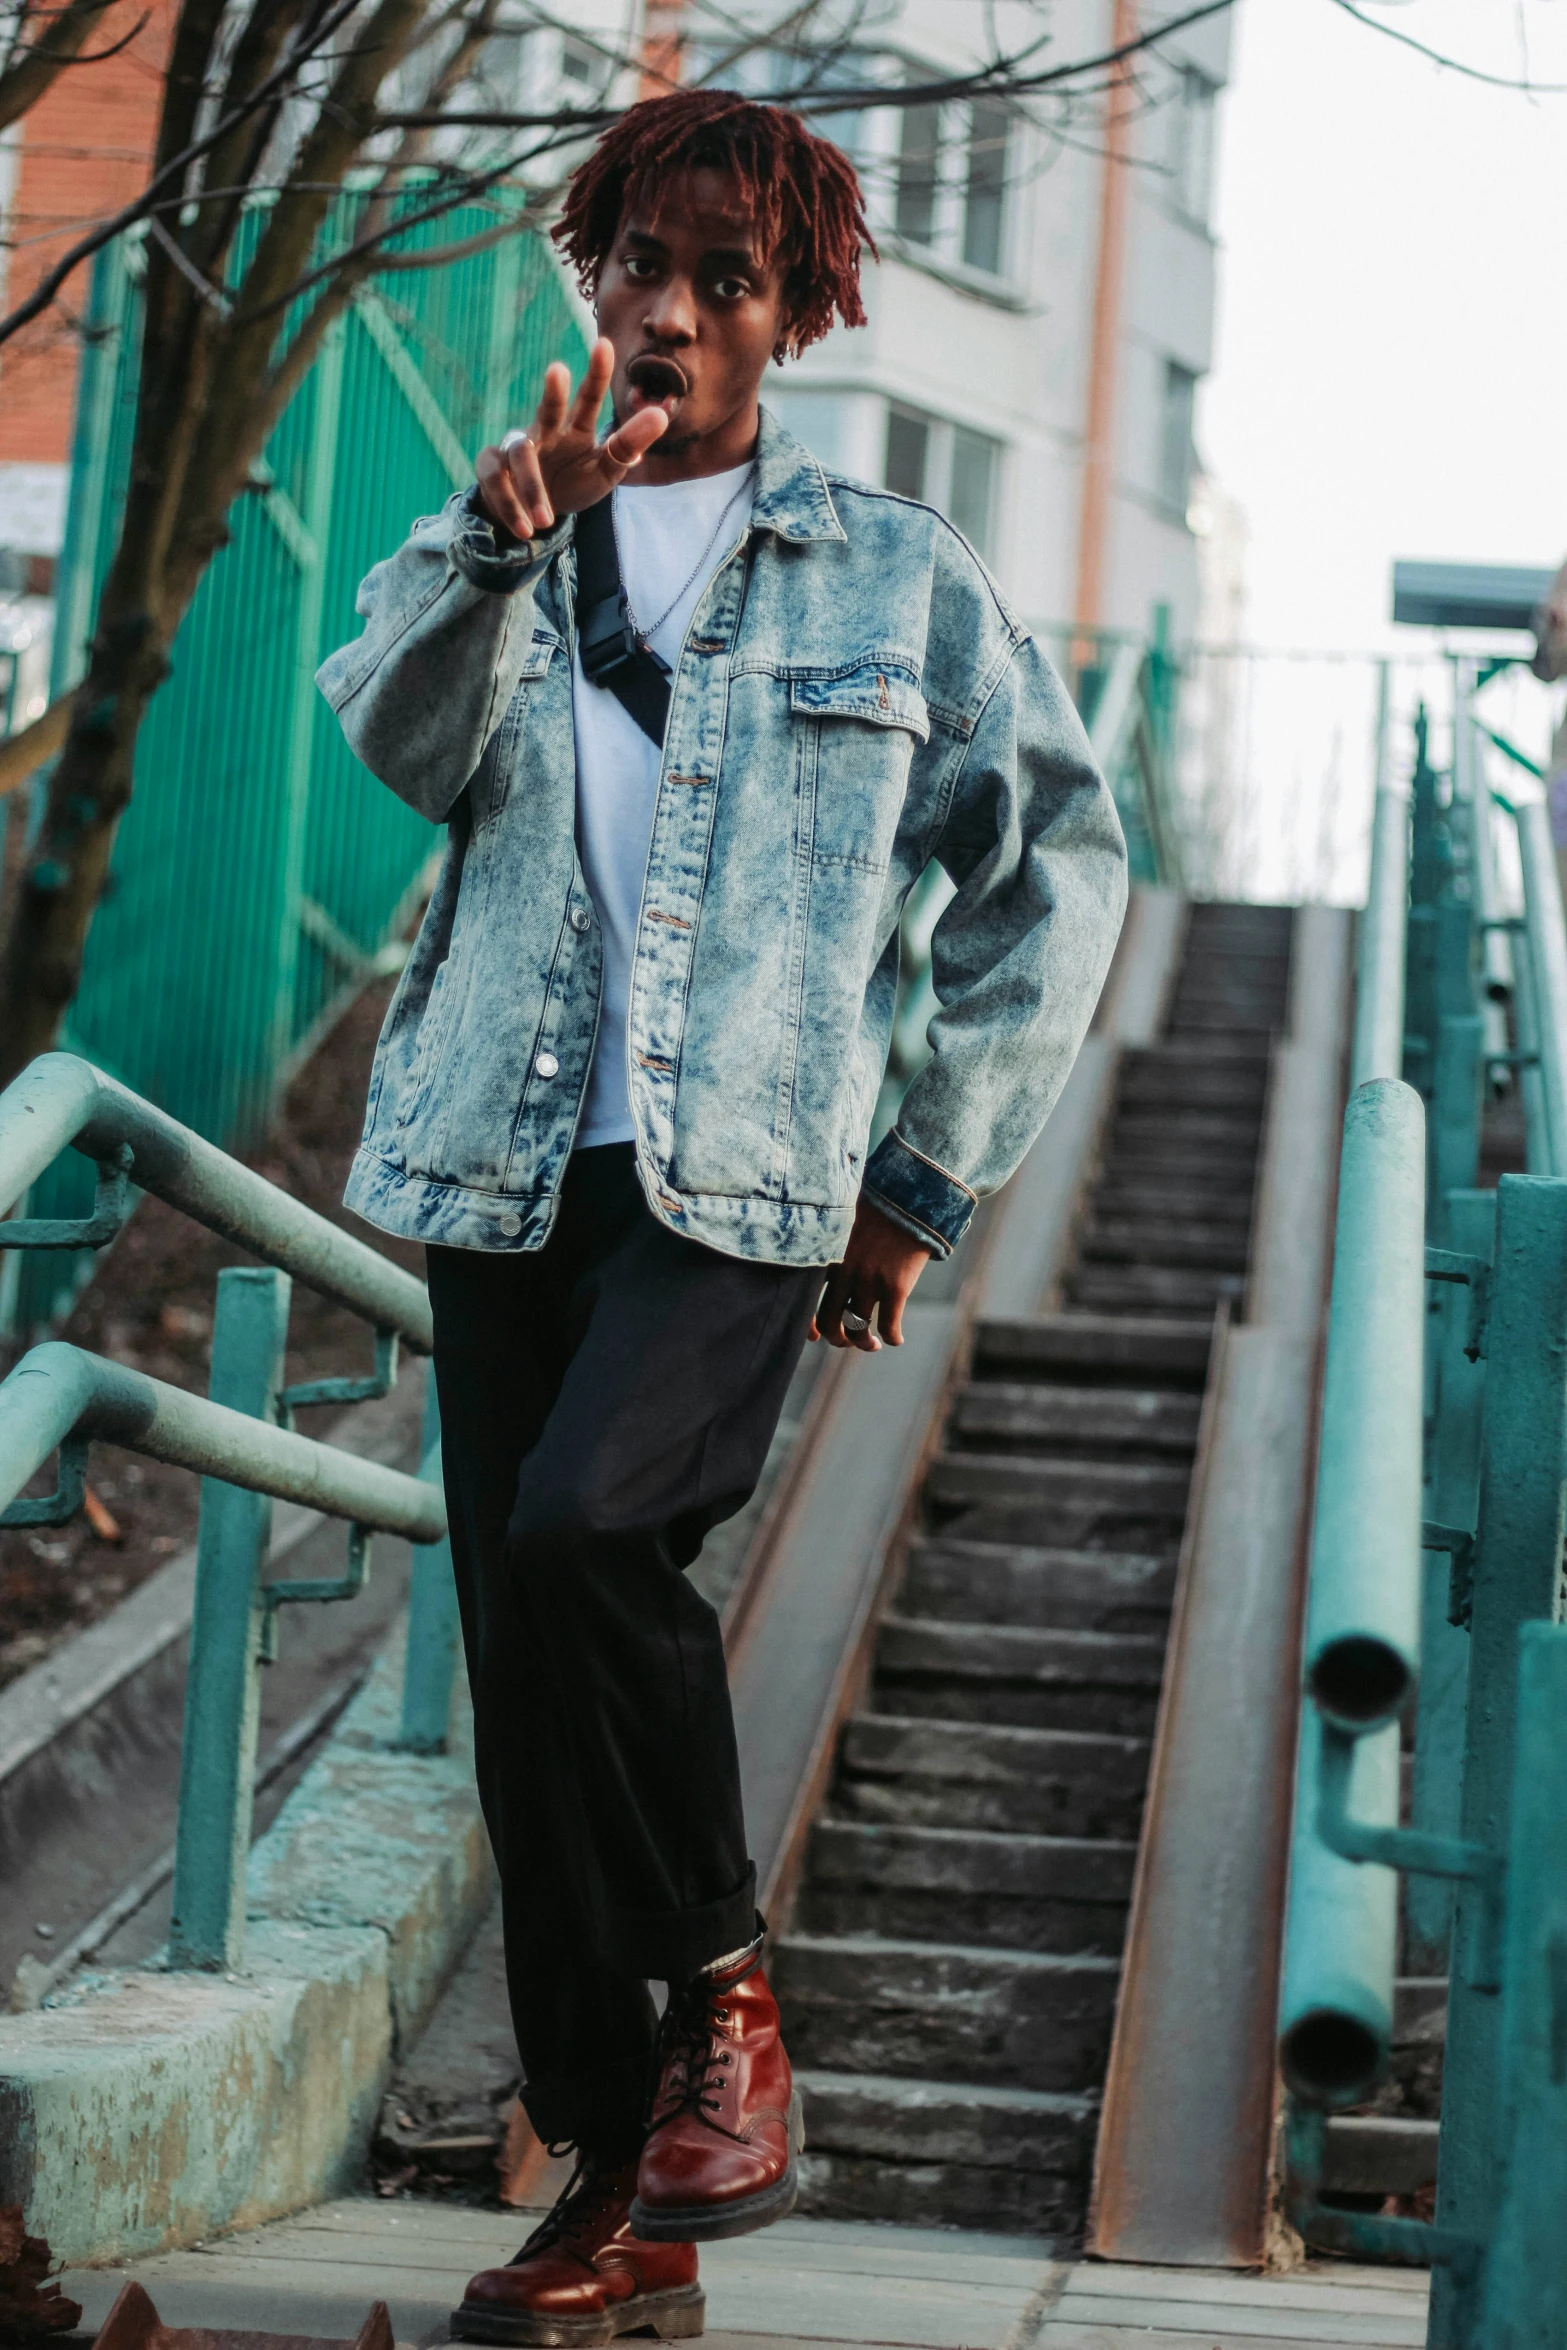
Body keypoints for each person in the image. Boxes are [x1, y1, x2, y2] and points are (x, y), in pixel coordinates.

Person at [318, 85, 1126, 2350]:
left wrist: (920, 1181)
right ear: (593, 278)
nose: (669, 312)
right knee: (528, 1672)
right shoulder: (497, 532)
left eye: (723, 281)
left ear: (797, 321)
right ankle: (622, 2188)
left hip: (743, 1182)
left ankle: (731, 1992)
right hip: (502, 1167)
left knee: (591, 1538)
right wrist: (500, 545)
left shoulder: (893, 576)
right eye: (638, 269)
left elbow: (1062, 861)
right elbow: (389, 738)